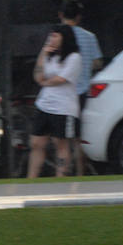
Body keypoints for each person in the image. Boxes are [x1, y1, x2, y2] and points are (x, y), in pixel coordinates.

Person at [27, 24, 81, 179]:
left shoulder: (74, 58)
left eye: (55, 36)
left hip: (63, 108)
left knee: (60, 144)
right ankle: (31, 178)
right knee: (37, 143)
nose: (52, 39)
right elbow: (38, 75)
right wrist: (43, 54)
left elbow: (61, 79)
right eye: (51, 36)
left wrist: (45, 82)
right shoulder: (50, 56)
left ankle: (60, 178)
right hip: (44, 104)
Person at [59, 0, 103, 175]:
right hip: (81, 92)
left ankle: (62, 173)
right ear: (79, 17)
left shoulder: (57, 36)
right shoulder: (89, 37)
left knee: (62, 138)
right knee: (78, 137)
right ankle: (79, 173)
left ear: (60, 15)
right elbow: (98, 63)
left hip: (61, 92)